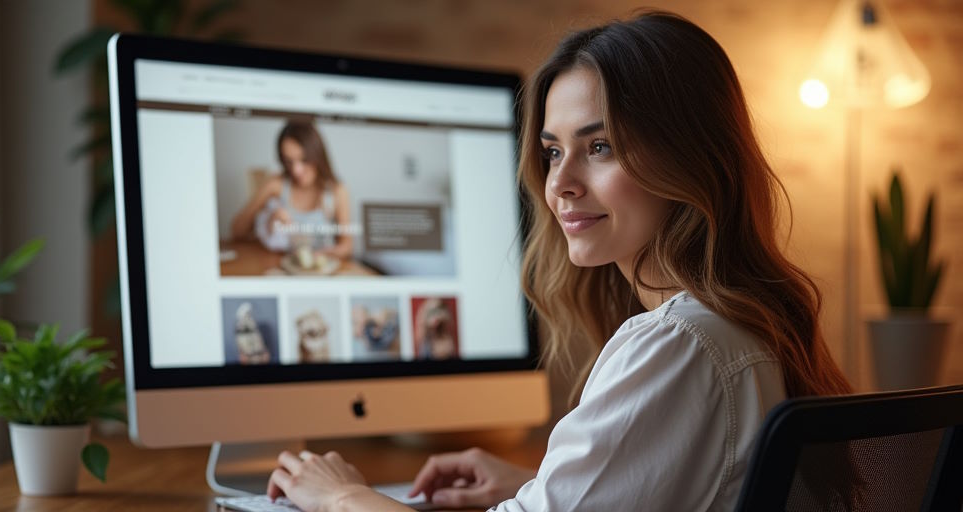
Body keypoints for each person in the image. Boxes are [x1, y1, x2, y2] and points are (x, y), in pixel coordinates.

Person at [263, 11, 852, 511]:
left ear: (688, 158)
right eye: (551, 151)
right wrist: (538, 486)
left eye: (599, 147)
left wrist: (339, 496)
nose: (559, 184)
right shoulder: (742, 328)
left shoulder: (678, 345)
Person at [230, 120, 354, 262]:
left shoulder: (337, 191)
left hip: (318, 272)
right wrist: (270, 220)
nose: (296, 170)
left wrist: (317, 257)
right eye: (289, 161)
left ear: (317, 156)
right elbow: (236, 231)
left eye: (304, 160)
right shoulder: (276, 185)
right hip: (278, 267)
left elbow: (347, 246)